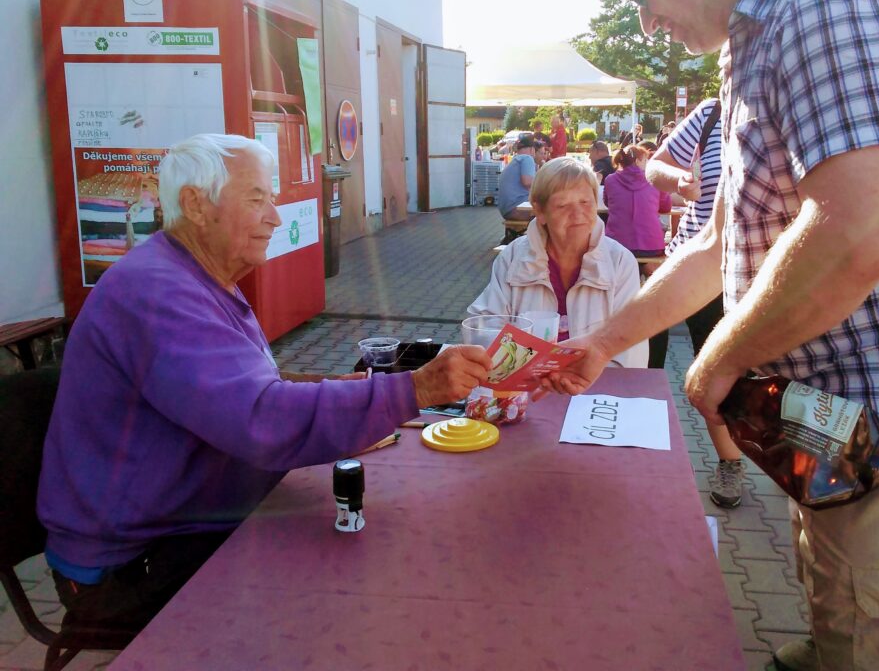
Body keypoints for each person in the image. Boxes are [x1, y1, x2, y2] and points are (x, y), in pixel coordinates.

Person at [544, 0, 879, 670]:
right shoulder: (758, 41)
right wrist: (603, 341)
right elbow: (718, 242)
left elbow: (856, 233)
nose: (644, 21)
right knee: (850, 632)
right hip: (841, 431)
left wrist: (719, 361)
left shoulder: (830, 8)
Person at [37, 133, 491, 632]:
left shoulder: (192, 276)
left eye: (271, 200)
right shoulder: (156, 292)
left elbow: (254, 387)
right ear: (195, 204)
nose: (274, 217)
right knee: (345, 595)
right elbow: (261, 419)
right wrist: (415, 390)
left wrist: (342, 391)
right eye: (257, 200)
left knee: (365, 540)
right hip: (131, 565)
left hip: (181, 520)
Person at [646, 99, 747, 507]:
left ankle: (731, 461)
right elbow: (655, 165)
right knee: (648, 351)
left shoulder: (797, 103)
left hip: (744, 271)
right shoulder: (711, 112)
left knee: (720, 369)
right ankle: (639, 443)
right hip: (688, 257)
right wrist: (678, 178)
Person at [469, 157, 647, 368]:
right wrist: (520, 366)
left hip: (596, 388)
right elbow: (485, 323)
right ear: (540, 211)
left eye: (585, 202)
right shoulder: (514, 257)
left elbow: (629, 343)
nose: (578, 214)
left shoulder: (619, 261)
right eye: (563, 205)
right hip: (526, 385)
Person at [603, 144, 672, 271]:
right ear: (638, 160)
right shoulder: (654, 180)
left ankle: (632, 278)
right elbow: (666, 206)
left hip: (617, 244)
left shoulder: (610, 180)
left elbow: (607, 203)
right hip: (652, 245)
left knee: (622, 257)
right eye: (646, 160)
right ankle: (644, 278)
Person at [496, 134, 538, 222]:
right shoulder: (527, 158)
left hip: (507, 209)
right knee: (551, 213)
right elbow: (527, 182)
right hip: (517, 209)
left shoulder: (515, 160)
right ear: (532, 149)